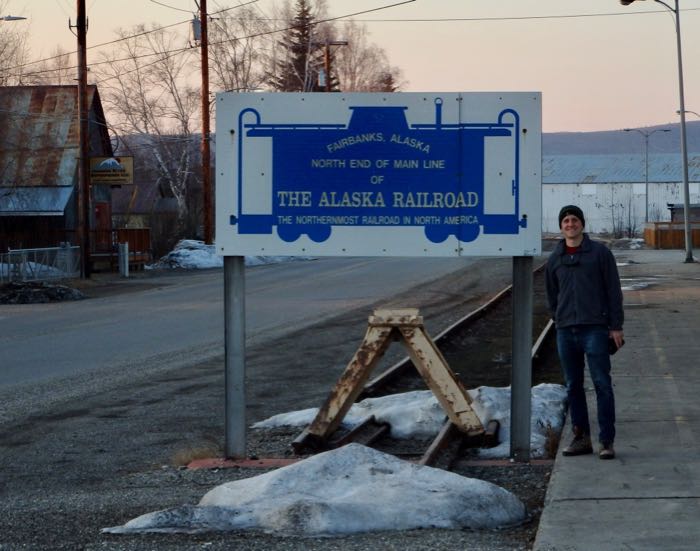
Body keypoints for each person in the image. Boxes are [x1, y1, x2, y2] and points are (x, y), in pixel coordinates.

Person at [545, 205, 624, 460]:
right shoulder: (555, 258)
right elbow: (551, 294)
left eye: (574, 220)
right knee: (573, 386)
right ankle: (581, 438)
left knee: (602, 384)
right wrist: (558, 318)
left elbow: (613, 290)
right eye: (566, 221)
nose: (570, 224)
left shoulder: (599, 253)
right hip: (566, 331)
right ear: (561, 227)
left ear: (582, 224)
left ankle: (606, 441)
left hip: (595, 329)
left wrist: (615, 326)